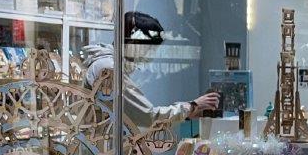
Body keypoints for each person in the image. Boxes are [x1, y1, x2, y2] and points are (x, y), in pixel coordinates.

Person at [80, 11, 220, 126]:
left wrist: (188, 112)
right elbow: (148, 116)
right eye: (149, 48)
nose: (150, 56)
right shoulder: (109, 68)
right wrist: (192, 106)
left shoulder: (107, 64)